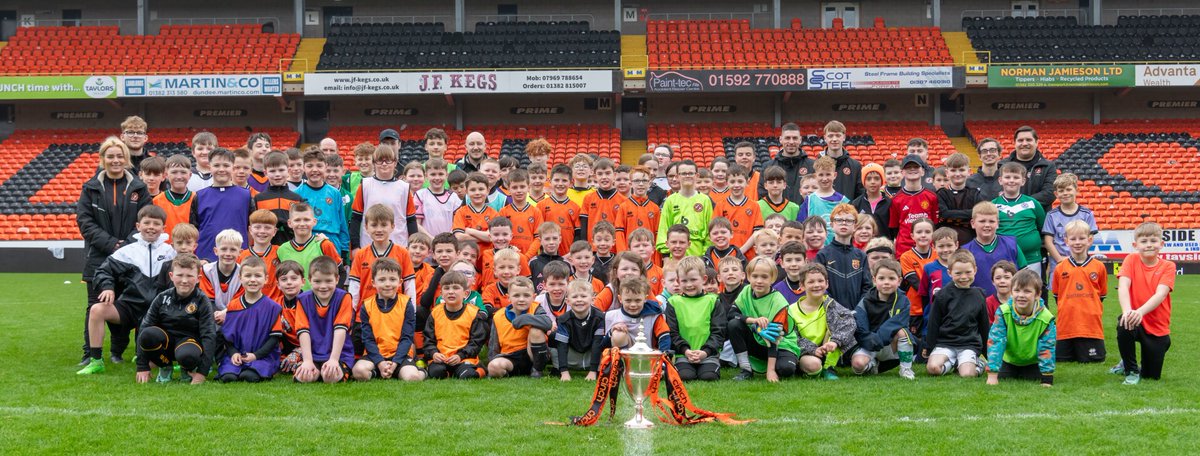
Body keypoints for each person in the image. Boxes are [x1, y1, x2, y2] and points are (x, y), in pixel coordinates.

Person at [77, 136, 151, 363]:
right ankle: (90, 354)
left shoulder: (139, 188)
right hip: (98, 258)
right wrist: (112, 244)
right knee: (95, 306)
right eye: (110, 156)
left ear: (127, 159)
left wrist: (125, 246)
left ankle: (117, 351)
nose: (115, 160)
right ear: (102, 159)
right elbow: (85, 221)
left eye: (120, 156)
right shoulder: (90, 188)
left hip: (131, 259)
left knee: (125, 306)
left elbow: (145, 219)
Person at [77, 206, 175, 375]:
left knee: (154, 361)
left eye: (156, 223)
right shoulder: (127, 252)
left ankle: (172, 357)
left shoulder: (170, 252)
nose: (151, 226)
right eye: (147, 222)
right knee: (97, 310)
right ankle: (96, 360)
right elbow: (102, 271)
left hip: (157, 311)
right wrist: (108, 287)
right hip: (130, 307)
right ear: (138, 226)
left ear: (163, 228)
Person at [132, 253, 217, 384]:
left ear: (198, 278)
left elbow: (209, 336)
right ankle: (165, 367)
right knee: (147, 334)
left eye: (189, 276)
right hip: (165, 344)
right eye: (180, 275)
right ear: (171, 276)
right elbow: (144, 327)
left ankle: (187, 369)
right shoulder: (162, 298)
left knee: (187, 356)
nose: (184, 280)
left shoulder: (202, 301)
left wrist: (202, 373)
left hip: (189, 343)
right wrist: (142, 366)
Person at [1116, 222, 1176, 385]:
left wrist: (1140, 312)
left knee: (1152, 376)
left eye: (1153, 240)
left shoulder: (1168, 266)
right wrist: (1129, 311)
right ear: (1136, 245)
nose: (1149, 245)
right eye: (1144, 241)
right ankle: (1131, 370)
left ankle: (1162, 343)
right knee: (1124, 322)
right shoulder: (1131, 259)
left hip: (1157, 325)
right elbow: (1123, 286)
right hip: (1136, 320)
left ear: (1161, 244)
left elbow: (1161, 294)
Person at [352, 258, 425, 382]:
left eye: (392, 279)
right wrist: (380, 362)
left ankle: (422, 371)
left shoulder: (406, 303)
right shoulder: (367, 305)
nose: (387, 284)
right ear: (373, 282)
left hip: (400, 355)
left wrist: (396, 362)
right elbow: (368, 339)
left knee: (412, 378)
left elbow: (407, 338)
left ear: (400, 282)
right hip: (375, 354)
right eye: (382, 280)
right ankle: (380, 371)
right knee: (358, 372)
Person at [728, 257, 800, 382]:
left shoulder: (778, 302)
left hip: (781, 345)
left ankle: (793, 361)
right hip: (759, 341)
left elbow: (774, 337)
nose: (759, 281)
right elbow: (731, 314)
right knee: (733, 324)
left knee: (786, 370)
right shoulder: (746, 291)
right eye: (755, 276)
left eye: (764, 277)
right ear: (748, 277)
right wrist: (754, 321)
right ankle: (746, 369)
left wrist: (770, 371)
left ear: (772, 278)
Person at [216, 257, 283, 383]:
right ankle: (233, 365)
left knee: (249, 376)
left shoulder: (272, 307)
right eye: (248, 276)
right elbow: (227, 337)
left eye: (258, 276)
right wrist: (233, 353)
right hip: (238, 355)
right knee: (228, 377)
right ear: (240, 278)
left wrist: (256, 355)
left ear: (266, 279)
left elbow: (274, 338)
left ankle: (254, 368)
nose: (253, 280)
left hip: (263, 357)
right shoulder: (233, 305)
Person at [985, 269, 1056, 387]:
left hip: (1032, 362)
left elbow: (1047, 347)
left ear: (1037, 294)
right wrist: (992, 375)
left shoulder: (1046, 318)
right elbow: (996, 341)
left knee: (1032, 377)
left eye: (1027, 291)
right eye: (1017, 290)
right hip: (1009, 361)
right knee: (1005, 376)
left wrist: (1047, 379)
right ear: (1011, 292)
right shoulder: (1003, 312)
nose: (1021, 295)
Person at [925, 250, 990, 378]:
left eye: (968, 272)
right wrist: (930, 347)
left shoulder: (979, 295)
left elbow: (984, 326)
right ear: (949, 273)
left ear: (975, 270)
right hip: (945, 343)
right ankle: (953, 364)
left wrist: (988, 353)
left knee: (967, 375)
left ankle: (979, 364)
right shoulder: (942, 295)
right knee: (933, 368)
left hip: (969, 344)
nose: (964, 277)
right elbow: (933, 323)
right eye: (958, 273)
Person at [1050, 220, 1107, 363]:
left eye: (1081, 238)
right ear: (1066, 241)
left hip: (1090, 325)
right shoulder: (1060, 267)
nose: (1077, 242)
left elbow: (1101, 295)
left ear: (1089, 240)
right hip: (1066, 326)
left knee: (1094, 360)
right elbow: (1057, 295)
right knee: (1062, 360)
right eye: (1073, 239)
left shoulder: (1099, 267)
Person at [293, 257, 355, 383]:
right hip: (313, 355)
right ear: (309, 280)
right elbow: (303, 331)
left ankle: (331, 368)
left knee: (329, 378)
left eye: (328, 281)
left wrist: (333, 360)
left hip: (339, 355)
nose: (323, 286)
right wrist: (308, 361)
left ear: (337, 279)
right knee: (305, 378)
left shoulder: (344, 297)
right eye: (317, 281)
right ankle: (315, 368)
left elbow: (340, 329)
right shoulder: (302, 299)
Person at [789, 263, 856, 380]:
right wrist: (813, 349)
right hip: (806, 352)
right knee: (813, 365)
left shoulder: (831, 304)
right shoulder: (791, 310)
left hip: (828, 349)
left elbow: (849, 322)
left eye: (820, 281)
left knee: (838, 324)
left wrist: (835, 342)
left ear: (827, 283)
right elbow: (793, 337)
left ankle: (829, 368)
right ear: (802, 285)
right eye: (811, 282)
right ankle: (807, 369)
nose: (816, 285)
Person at [852, 259, 915, 379]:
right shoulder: (865, 300)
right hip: (870, 343)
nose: (886, 282)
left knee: (903, 332)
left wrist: (879, 338)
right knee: (857, 365)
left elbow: (898, 322)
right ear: (874, 280)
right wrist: (869, 340)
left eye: (891, 278)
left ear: (899, 281)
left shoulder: (903, 300)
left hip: (890, 345)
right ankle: (873, 366)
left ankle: (906, 369)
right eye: (882, 278)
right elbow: (860, 326)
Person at [665, 257, 726, 381]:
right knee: (686, 376)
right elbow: (672, 332)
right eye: (684, 281)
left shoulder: (713, 301)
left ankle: (710, 362)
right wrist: (685, 351)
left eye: (693, 280)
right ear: (678, 281)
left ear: (703, 279)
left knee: (709, 376)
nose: (689, 285)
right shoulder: (673, 302)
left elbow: (718, 331)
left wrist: (706, 352)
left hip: (708, 354)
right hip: (683, 354)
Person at [348, 204, 417, 310]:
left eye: (384, 225)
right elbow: (354, 287)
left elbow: (409, 286)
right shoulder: (361, 254)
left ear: (392, 227)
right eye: (374, 225)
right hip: (365, 315)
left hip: (395, 314)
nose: (379, 229)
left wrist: (412, 312)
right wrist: (351, 311)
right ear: (366, 227)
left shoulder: (402, 253)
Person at [422, 270, 489, 379]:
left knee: (467, 376)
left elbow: (476, 342)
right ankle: (448, 373)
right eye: (447, 288)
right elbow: (428, 339)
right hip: (442, 358)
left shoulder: (473, 314)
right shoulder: (435, 313)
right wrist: (434, 353)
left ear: (465, 293)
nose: (451, 292)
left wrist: (460, 355)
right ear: (441, 293)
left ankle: (481, 370)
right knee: (436, 373)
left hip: (464, 358)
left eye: (456, 288)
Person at [191, 148, 253, 262]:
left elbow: (251, 228)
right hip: (205, 257)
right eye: (216, 165)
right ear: (209, 167)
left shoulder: (246, 195)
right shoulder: (199, 196)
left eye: (226, 165)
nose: (221, 169)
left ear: (233, 167)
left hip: (238, 257)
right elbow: (194, 229)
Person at [487, 277, 554, 378]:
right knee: (494, 367)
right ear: (508, 297)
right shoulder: (498, 315)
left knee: (536, 330)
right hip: (510, 356)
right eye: (516, 295)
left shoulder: (536, 308)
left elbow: (547, 323)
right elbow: (493, 345)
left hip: (532, 354)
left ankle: (537, 370)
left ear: (533, 297)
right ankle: (510, 373)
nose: (521, 299)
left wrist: (525, 318)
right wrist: (492, 363)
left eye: (526, 295)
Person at [1042, 173, 1099, 287]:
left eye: (1068, 189)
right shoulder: (1051, 215)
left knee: (1082, 295)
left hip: (1080, 262)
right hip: (1059, 264)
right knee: (1060, 300)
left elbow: (1090, 238)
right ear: (1056, 194)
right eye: (1061, 190)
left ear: (1076, 191)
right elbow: (1048, 241)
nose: (1065, 193)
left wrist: (1076, 257)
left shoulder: (1086, 214)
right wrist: (1060, 260)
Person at [815, 204, 872, 311]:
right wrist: (835, 308)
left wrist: (859, 309)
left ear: (855, 226)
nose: (844, 223)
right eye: (839, 220)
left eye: (849, 220)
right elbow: (820, 286)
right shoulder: (823, 255)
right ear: (832, 224)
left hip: (857, 313)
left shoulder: (861, 256)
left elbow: (867, 287)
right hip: (830, 311)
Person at [994, 162, 1046, 276]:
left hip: (1032, 258)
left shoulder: (1033, 203)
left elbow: (1043, 227)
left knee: (1031, 291)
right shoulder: (993, 205)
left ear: (1023, 181)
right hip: (1003, 259)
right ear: (1000, 180)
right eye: (1007, 177)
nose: (1011, 180)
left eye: (1016, 177)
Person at [965, 201, 1026, 296]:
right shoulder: (966, 251)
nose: (987, 225)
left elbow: (1024, 275)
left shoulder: (1011, 245)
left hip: (1010, 303)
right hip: (979, 304)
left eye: (991, 221)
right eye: (982, 221)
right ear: (973, 223)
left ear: (997, 223)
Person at [276, 202, 341, 289]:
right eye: (297, 220)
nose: (302, 224)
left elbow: (340, 272)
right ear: (290, 223)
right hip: (293, 300)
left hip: (318, 300)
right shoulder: (282, 249)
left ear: (314, 222)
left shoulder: (324, 245)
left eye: (306, 220)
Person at [657, 160, 712, 257]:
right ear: (677, 176)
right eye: (684, 173)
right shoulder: (670, 200)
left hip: (698, 254)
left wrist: (706, 254)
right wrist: (666, 255)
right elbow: (664, 229)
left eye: (691, 173)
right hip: (674, 253)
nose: (687, 176)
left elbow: (709, 230)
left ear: (697, 176)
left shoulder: (705, 200)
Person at [555, 279, 606, 381]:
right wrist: (564, 372)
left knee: (606, 341)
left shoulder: (600, 317)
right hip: (572, 351)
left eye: (583, 296)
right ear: (567, 301)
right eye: (574, 297)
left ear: (592, 299)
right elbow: (562, 346)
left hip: (592, 351)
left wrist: (593, 371)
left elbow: (597, 343)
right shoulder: (563, 320)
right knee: (553, 337)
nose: (579, 300)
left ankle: (602, 368)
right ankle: (558, 368)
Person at [889, 154, 939, 257]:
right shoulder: (895, 199)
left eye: (916, 167)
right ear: (902, 172)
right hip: (904, 250)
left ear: (923, 171)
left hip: (927, 250)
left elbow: (935, 224)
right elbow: (894, 227)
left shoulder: (932, 197)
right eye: (908, 167)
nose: (912, 169)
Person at [253, 151, 304, 245]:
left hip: (292, 248)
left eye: (281, 170)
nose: (277, 174)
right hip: (266, 248)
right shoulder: (258, 199)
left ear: (288, 171)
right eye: (272, 171)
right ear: (265, 173)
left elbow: (301, 226)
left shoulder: (297, 198)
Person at [1002, 125, 1058, 210]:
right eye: (1020, 140)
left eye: (1029, 140)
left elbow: (1049, 194)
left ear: (1036, 142)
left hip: (1038, 220)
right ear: (1015, 143)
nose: (1024, 143)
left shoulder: (1048, 166)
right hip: (1007, 219)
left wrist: (1019, 205)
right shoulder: (1002, 165)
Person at [757, 123, 816, 203]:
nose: (791, 142)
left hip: (806, 214)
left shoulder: (812, 166)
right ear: (781, 139)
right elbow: (763, 195)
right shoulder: (768, 166)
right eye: (787, 138)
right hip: (777, 214)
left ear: (800, 140)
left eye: (795, 138)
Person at [713, 164, 763, 252]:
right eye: (732, 182)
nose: (736, 185)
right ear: (726, 183)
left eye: (740, 181)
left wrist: (741, 251)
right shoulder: (720, 205)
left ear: (747, 182)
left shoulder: (754, 206)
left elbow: (757, 232)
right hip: (725, 253)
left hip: (748, 254)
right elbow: (716, 231)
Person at [580, 158, 629, 247]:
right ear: (595, 177)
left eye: (607, 173)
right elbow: (584, 227)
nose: (604, 177)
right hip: (593, 249)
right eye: (600, 174)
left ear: (614, 175)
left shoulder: (624, 201)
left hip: (615, 249)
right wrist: (584, 247)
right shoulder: (588, 198)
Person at [240, 210, 282, 304]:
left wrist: (321, 240)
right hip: (248, 307)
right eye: (257, 227)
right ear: (250, 230)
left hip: (275, 307)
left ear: (274, 231)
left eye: (267, 228)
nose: (262, 231)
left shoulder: (282, 252)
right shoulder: (241, 256)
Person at [937, 153, 980, 244]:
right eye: (953, 170)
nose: (957, 174)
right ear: (947, 173)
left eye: (961, 170)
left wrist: (951, 216)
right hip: (946, 243)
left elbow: (977, 214)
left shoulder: (975, 193)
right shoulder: (941, 194)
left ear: (969, 172)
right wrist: (969, 214)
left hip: (971, 241)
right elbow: (944, 214)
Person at [153, 155, 196, 247]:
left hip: (190, 250)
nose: (179, 176)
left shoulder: (197, 198)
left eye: (183, 172)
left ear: (190, 175)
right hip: (164, 250)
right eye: (174, 172)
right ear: (166, 175)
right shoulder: (157, 201)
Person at [199, 229, 245, 314]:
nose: (228, 253)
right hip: (210, 315)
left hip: (235, 315)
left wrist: (225, 314)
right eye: (223, 249)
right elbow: (207, 302)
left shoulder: (244, 274)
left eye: (233, 250)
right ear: (216, 251)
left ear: (240, 252)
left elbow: (239, 303)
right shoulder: (206, 271)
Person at [498, 169, 543, 254]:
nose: (519, 190)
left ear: (529, 188)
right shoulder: (503, 212)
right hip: (508, 257)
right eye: (514, 187)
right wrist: (510, 251)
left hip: (530, 259)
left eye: (522, 187)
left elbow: (538, 238)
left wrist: (527, 257)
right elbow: (499, 237)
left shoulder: (536, 212)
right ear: (509, 189)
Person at [415, 157, 462, 238]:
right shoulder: (420, 195)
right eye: (433, 174)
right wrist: (432, 240)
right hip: (427, 244)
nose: (437, 178)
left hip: (449, 243)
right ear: (426, 176)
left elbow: (457, 223)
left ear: (446, 175)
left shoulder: (454, 197)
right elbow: (417, 224)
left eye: (440, 174)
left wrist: (448, 238)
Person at [819, 120, 863, 200]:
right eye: (830, 136)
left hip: (847, 211)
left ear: (844, 137)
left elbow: (860, 196)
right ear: (825, 138)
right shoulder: (816, 165)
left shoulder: (855, 166)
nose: (834, 139)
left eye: (838, 135)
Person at [453, 173, 498, 249]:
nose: (477, 193)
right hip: (467, 256)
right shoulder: (461, 212)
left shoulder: (494, 214)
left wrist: (470, 231)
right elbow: (459, 237)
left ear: (488, 191)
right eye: (473, 190)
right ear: (466, 191)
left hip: (487, 257)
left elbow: (493, 237)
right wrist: (485, 237)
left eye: (481, 189)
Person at [853, 163, 890, 235]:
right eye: (868, 179)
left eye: (876, 178)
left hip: (884, 244)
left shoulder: (889, 203)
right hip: (863, 245)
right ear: (864, 181)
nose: (872, 182)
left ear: (882, 180)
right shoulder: (856, 203)